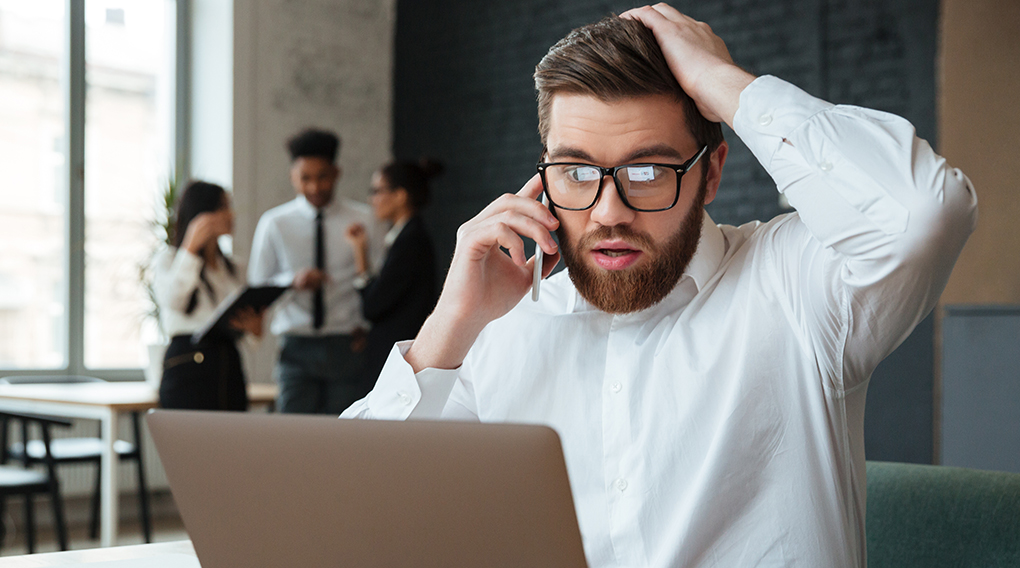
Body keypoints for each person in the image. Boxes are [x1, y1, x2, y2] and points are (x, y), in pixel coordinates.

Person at [343, 5, 977, 567]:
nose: (608, 211)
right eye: (576, 171)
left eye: (647, 171)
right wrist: (447, 330)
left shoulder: (795, 287)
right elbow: (351, 508)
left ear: (711, 175)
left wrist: (723, 86)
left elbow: (923, 213)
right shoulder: (503, 327)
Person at [247, 129, 381, 414]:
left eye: (322, 176)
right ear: (292, 177)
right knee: (293, 443)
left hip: (348, 345)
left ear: (336, 173)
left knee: (343, 441)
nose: (314, 187)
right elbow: (257, 287)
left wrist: (367, 328)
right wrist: (291, 282)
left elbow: (379, 279)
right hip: (295, 346)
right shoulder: (274, 223)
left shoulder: (364, 220)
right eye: (305, 178)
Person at [153, 180, 262, 411]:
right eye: (222, 207)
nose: (230, 214)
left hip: (228, 366)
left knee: (232, 441)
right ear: (202, 214)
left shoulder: (234, 267)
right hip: (187, 365)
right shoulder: (169, 259)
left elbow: (252, 336)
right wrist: (190, 247)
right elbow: (174, 300)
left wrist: (254, 327)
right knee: (186, 443)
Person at [345, 159, 441, 393]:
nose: (372, 199)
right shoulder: (406, 236)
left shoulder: (410, 241)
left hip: (397, 358)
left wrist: (359, 254)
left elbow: (373, 306)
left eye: (377, 191)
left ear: (400, 196)